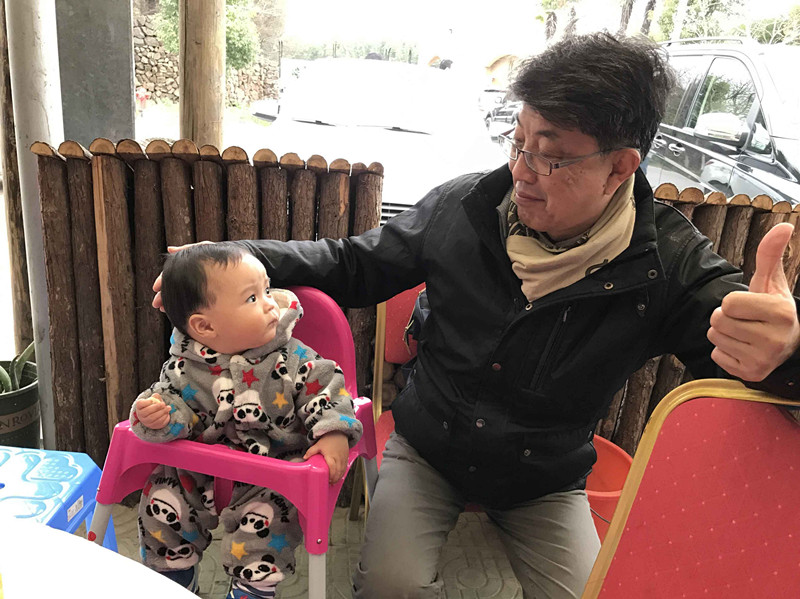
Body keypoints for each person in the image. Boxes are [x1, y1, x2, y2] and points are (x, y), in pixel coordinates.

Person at [153, 33, 800, 598]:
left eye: (550, 156)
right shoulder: (466, 206)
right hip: (429, 446)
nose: (522, 171)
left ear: (619, 168)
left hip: (546, 477)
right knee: (391, 586)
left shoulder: (669, 262)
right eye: (518, 142)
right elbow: (355, 263)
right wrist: (240, 257)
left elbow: (748, 365)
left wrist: (788, 355)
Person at [132, 241, 362, 599]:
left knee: (268, 522)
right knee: (162, 500)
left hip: (271, 469)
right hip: (200, 470)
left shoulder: (292, 358)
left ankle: (252, 590)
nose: (270, 303)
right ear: (205, 327)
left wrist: (333, 432)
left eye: (266, 290)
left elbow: (328, 388)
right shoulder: (184, 365)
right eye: (253, 298)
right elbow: (172, 399)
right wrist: (159, 415)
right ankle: (174, 578)